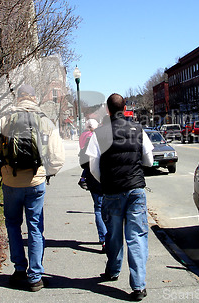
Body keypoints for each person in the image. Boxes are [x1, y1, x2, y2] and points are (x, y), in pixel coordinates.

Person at [0, 84, 65, 292]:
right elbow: (58, 158)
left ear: (18, 98)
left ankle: (19, 269)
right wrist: (45, 172)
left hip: (10, 182)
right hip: (35, 181)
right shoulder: (45, 121)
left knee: (12, 224)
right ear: (34, 98)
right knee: (35, 227)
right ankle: (35, 276)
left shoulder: (4, 120)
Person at [86, 93, 154, 301]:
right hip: (135, 190)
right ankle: (139, 286)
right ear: (125, 108)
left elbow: (93, 167)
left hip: (112, 191)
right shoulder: (138, 129)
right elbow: (149, 161)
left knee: (114, 235)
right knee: (137, 236)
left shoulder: (99, 134)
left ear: (107, 109)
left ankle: (113, 271)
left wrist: (106, 182)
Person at [78, 118, 107, 252]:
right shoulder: (109, 138)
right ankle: (111, 239)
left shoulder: (88, 138)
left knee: (99, 209)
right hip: (110, 179)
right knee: (110, 211)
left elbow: (83, 162)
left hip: (94, 179)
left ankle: (104, 239)